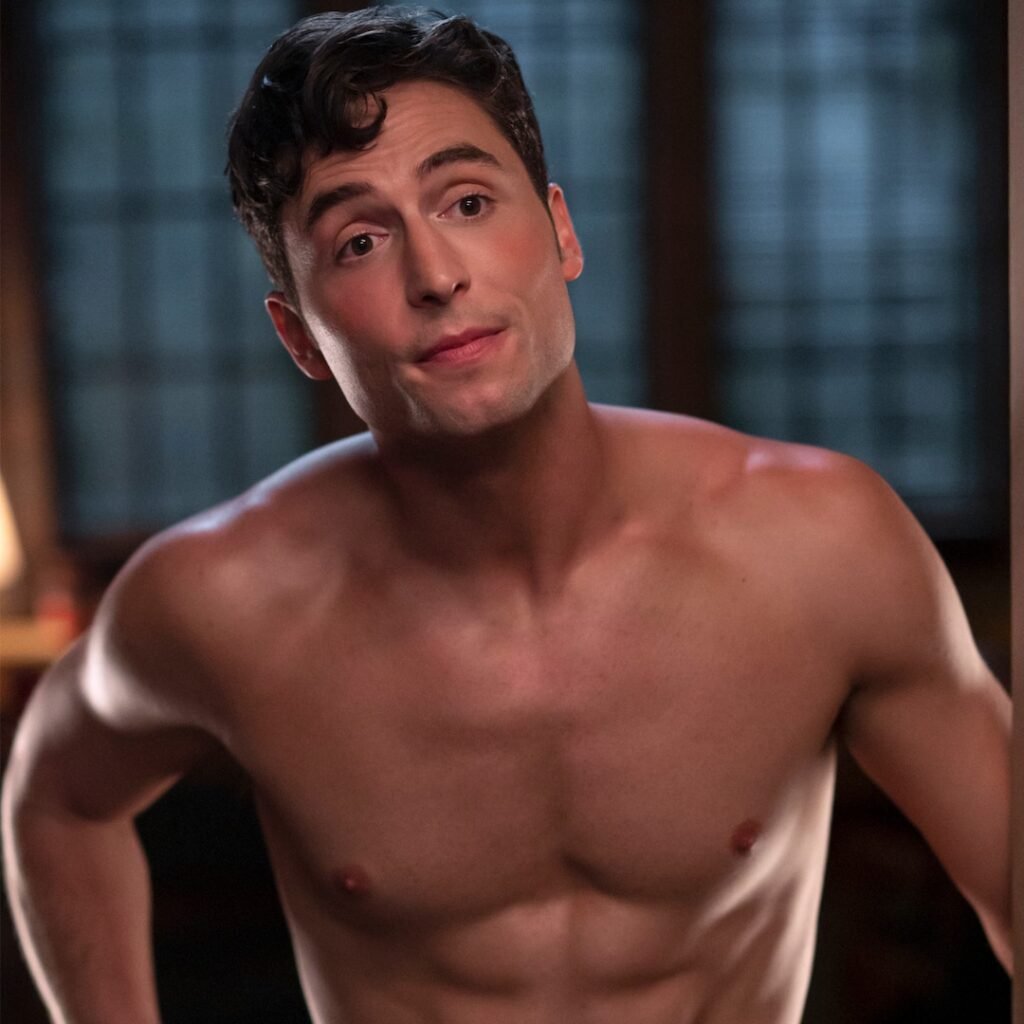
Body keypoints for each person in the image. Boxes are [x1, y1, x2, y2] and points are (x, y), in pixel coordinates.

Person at [2, 7, 1012, 1023]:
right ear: (299, 336)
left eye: (469, 201)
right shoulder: (222, 602)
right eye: (359, 241)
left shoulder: (820, 548)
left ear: (562, 231)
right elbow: (57, 802)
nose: (437, 275)